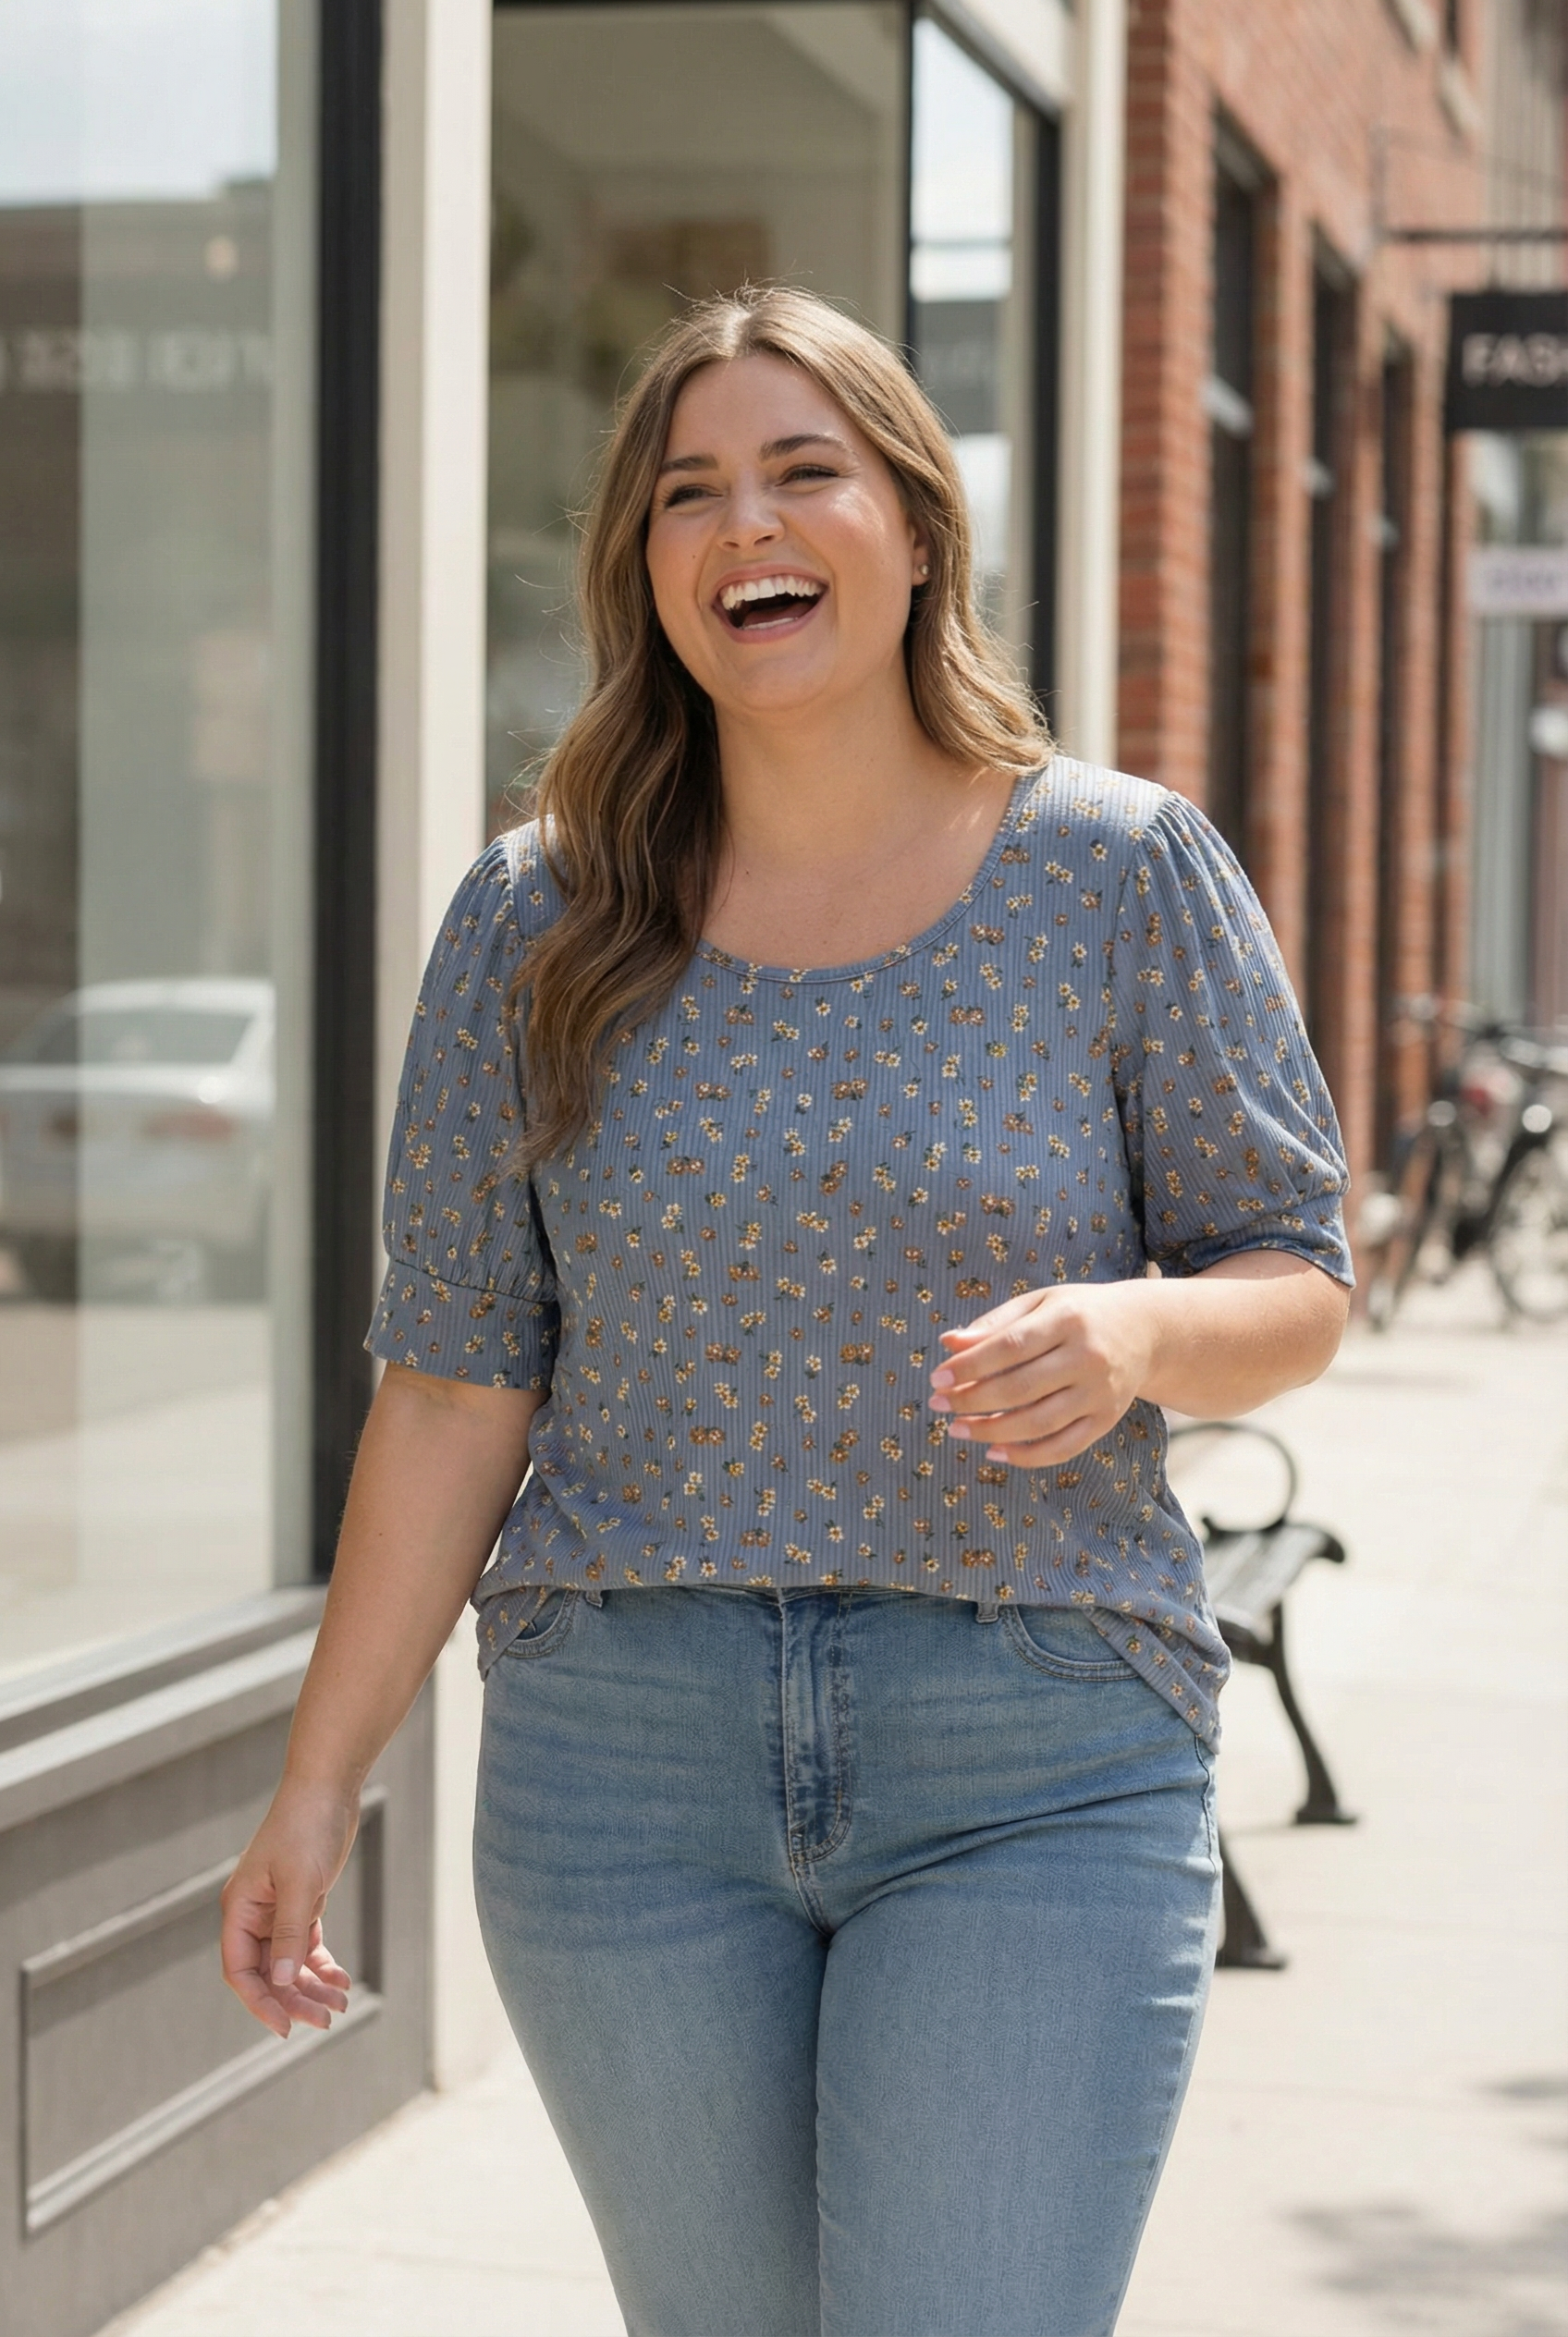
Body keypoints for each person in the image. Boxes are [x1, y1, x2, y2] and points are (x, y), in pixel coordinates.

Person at [221, 286, 1352, 2336]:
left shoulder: (1116, 874)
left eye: (802, 470)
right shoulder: (534, 921)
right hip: (618, 1777)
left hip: (1031, 1746)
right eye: (689, 491)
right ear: (646, 569)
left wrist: (1129, 1332)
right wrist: (320, 1781)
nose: (746, 522)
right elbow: (455, 1388)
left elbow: (1291, 1272)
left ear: (913, 528)